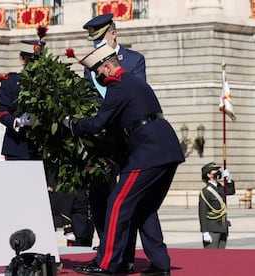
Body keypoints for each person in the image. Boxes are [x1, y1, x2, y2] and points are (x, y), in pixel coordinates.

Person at [63, 44, 184, 276]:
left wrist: (73, 125)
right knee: (145, 209)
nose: (98, 78)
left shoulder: (118, 85)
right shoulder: (136, 83)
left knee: (118, 203)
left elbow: (99, 122)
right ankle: (160, 264)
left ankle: (106, 263)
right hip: (166, 149)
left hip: (148, 152)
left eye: (98, 73)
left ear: (107, 67)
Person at [81, 13, 147, 270]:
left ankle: (126, 255)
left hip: (129, 139)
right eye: (94, 41)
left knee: (129, 198)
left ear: (113, 34)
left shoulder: (134, 60)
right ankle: (105, 248)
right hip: (103, 141)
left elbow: (135, 93)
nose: (98, 45)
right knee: (100, 194)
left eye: (102, 39)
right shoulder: (90, 66)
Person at [0, 39, 45, 160]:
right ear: (22, 59)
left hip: (42, 146)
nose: (34, 64)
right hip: (17, 147)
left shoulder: (47, 83)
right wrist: (18, 121)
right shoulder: (11, 82)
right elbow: (2, 112)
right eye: (30, 60)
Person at [199, 162, 235, 249]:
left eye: (218, 170)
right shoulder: (206, 191)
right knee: (211, 257)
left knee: (221, 257)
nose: (218, 172)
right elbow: (202, 213)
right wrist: (205, 232)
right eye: (215, 170)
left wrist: (228, 179)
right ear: (208, 175)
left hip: (223, 227)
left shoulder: (220, 187)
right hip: (212, 229)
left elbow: (231, 191)